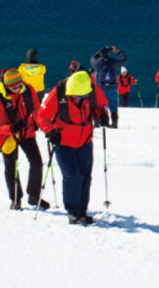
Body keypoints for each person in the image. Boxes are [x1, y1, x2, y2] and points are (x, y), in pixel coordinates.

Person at [37, 67, 110, 225]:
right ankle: (72, 211)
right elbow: (41, 116)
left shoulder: (92, 90)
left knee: (85, 176)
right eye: (76, 95)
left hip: (85, 140)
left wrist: (103, 115)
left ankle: (82, 211)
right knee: (72, 175)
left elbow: (102, 105)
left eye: (82, 95)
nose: (79, 98)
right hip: (63, 142)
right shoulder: (58, 93)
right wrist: (50, 132)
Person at [0, 67, 48, 210]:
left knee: (37, 162)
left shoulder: (28, 90)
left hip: (26, 131)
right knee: (11, 167)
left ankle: (34, 196)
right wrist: (11, 128)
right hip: (8, 136)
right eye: (14, 86)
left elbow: (37, 111)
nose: (18, 88)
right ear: (6, 85)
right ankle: (15, 198)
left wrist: (46, 127)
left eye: (19, 84)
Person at [91, 45, 127, 128]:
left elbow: (92, 58)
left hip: (101, 87)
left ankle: (97, 122)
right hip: (112, 87)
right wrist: (118, 51)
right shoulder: (113, 62)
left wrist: (100, 51)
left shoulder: (97, 63)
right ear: (108, 54)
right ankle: (114, 124)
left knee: (99, 105)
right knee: (113, 106)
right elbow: (124, 59)